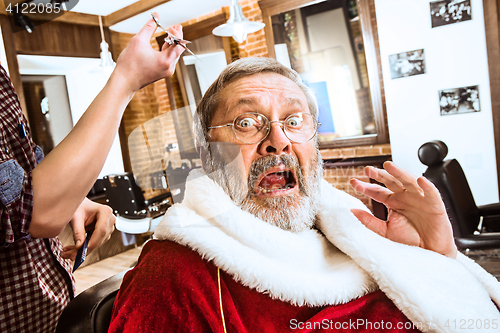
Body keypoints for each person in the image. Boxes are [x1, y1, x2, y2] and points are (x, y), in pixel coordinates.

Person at [109, 57, 500, 332]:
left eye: (294, 121)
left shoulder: (352, 223)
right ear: (209, 154)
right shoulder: (174, 278)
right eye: (247, 123)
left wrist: (436, 255)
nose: (277, 141)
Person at [0, 15, 185, 333]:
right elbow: (35, 211)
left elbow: (24, 177)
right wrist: (125, 79)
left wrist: (72, 200)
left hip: (53, 312)